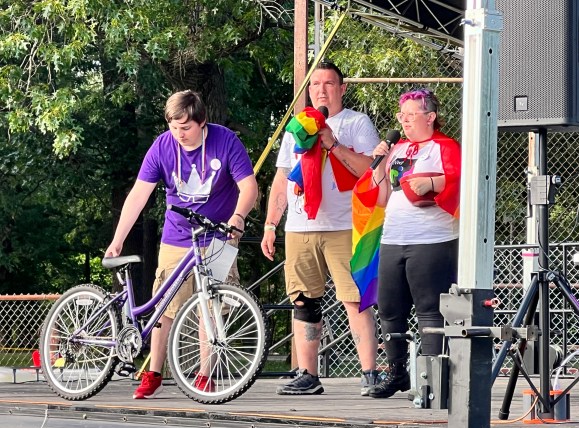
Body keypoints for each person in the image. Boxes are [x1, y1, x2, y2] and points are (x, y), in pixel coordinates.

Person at [105, 90, 258, 399]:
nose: (180, 135)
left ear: (202, 122)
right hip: (176, 236)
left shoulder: (225, 141)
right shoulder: (163, 146)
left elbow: (249, 186)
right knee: (165, 308)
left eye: (186, 128)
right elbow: (139, 194)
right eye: (174, 127)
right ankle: (153, 371)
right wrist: (117, 239)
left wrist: (239, 217)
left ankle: (205, 375)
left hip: (218, 235)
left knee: (211, 306)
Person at [261, 62, 381, 396]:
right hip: (300, 226)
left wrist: (332, 144)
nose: (322, 90)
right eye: (315, 84)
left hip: (344, 224)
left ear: (342, 89)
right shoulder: (296, 127)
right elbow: (283, 177)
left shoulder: (356, 123)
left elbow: (370, 172)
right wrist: (271, 224)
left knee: (354, 299)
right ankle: (307, 374)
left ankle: (370, 372)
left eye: (329, 84)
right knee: (303, 300)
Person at [368, 88, 461, 399]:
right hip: (394, 236)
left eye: (411, 115)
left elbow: (462, 178)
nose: (404, 121)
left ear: (430, 117)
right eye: (401, 116)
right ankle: (396, 372)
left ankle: (433, 377)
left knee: (429, 310)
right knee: (390, 308)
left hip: (431, 238)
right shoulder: (397, 149)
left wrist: (433, 183)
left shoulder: (444, 146)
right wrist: (380, 165)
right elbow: (383, 196)